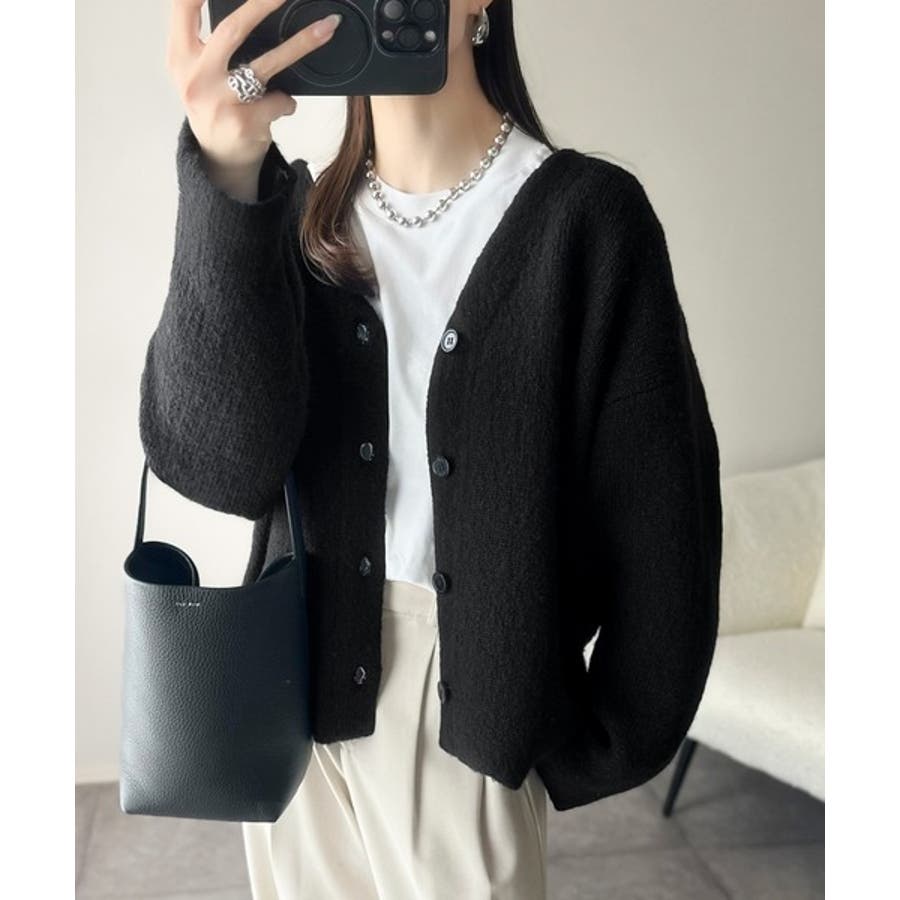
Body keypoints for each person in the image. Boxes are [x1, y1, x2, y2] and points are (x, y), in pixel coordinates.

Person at [148, 1, 723, 897]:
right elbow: (213, 466)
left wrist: (591, 738)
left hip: (471, 710)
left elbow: (665, 527)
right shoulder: (291, 220)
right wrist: (226, 173)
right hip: (292, 702)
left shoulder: (586, 222)